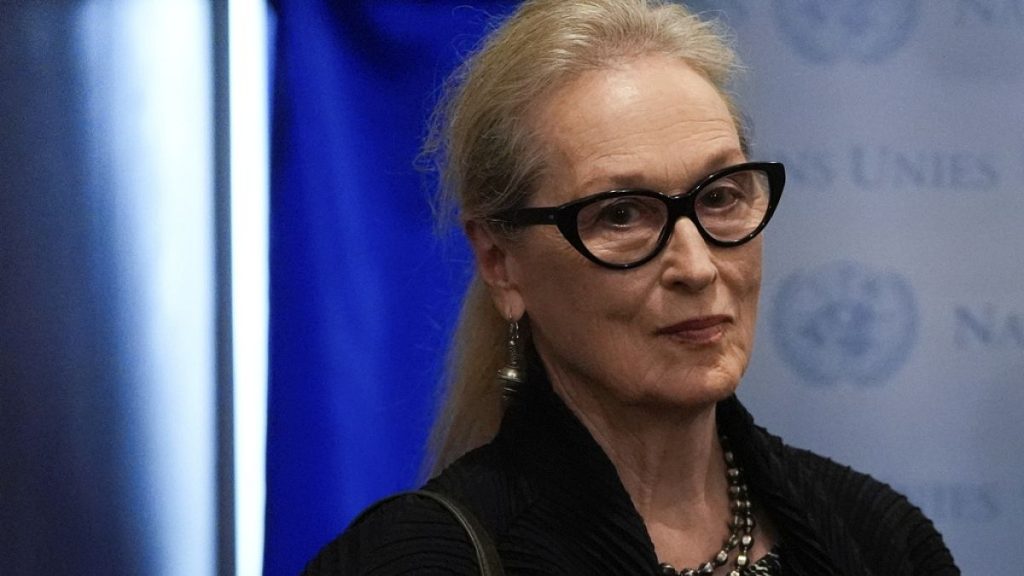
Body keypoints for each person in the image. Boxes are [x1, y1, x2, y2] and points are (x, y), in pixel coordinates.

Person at [304, 0, 959, 574]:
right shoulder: (415, 560)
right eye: (620, 215)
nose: (697, 267)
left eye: (720, 196)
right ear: (501, 262)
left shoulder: (883, 540)